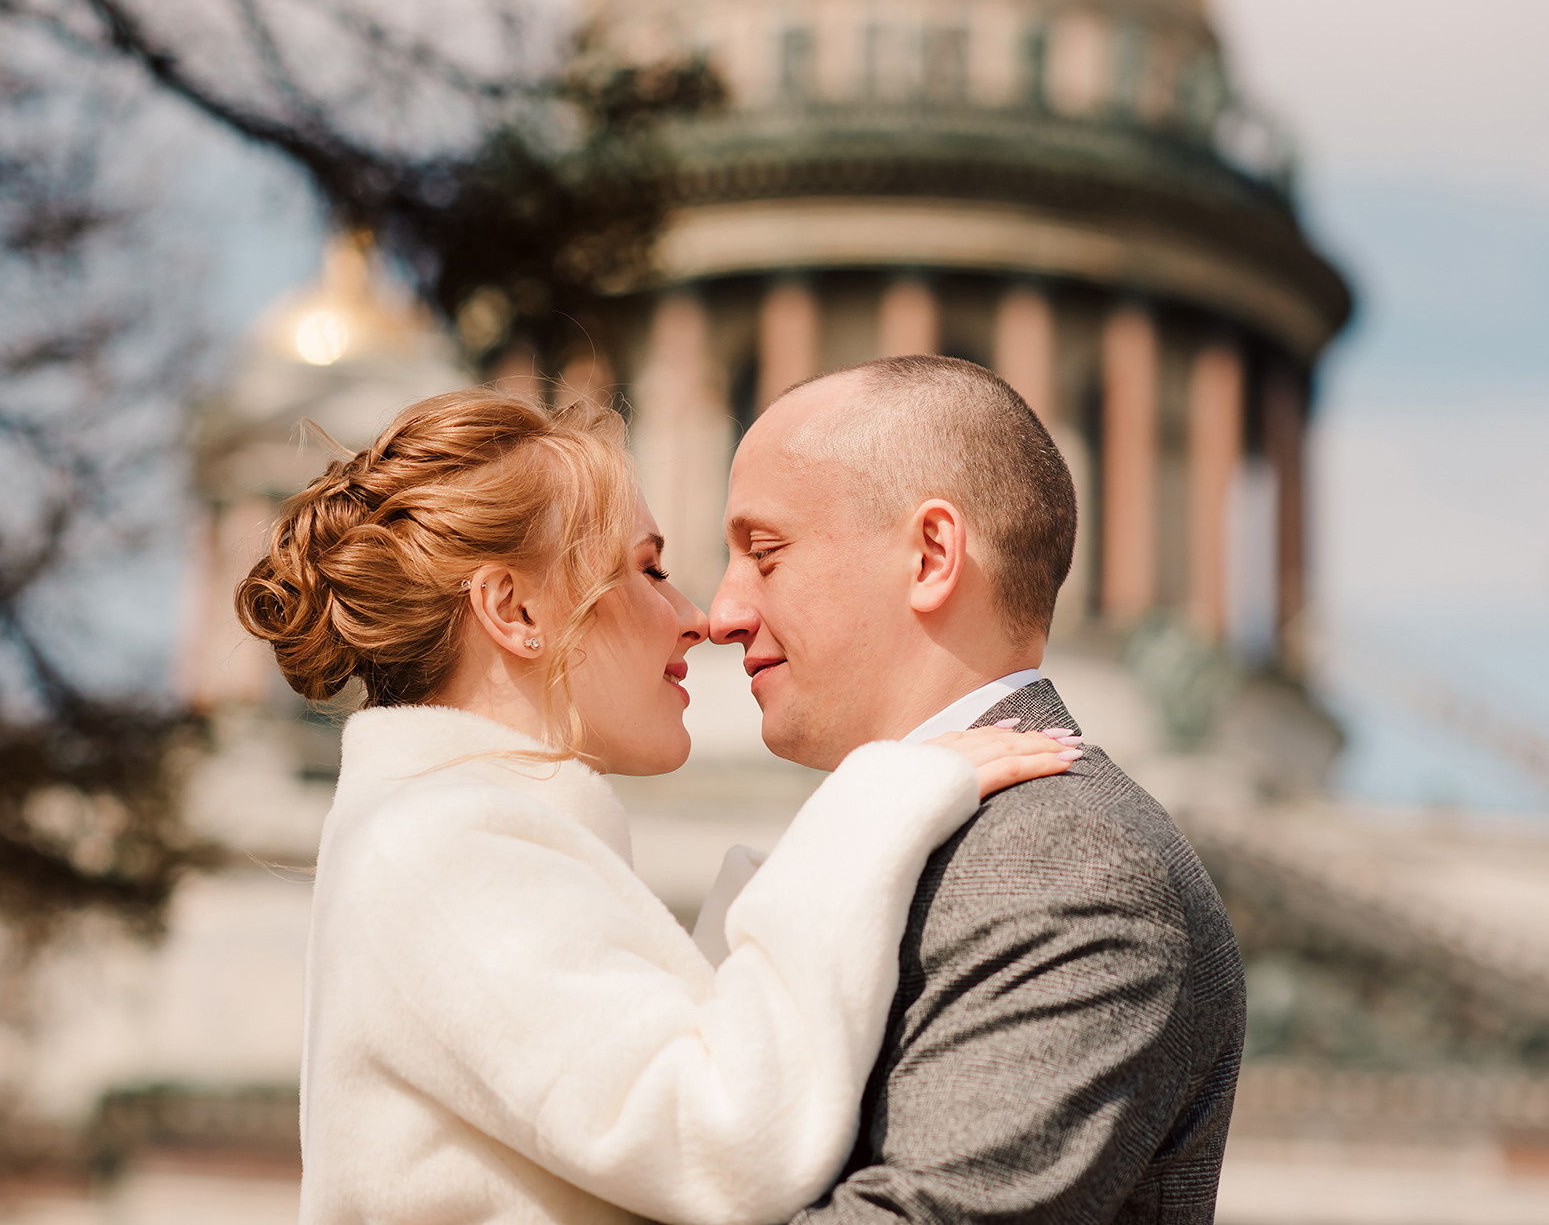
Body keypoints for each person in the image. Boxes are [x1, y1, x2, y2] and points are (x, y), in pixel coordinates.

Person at [233, 389, 1081, 1225]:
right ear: (515, 608)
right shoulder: (442, 848)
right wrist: (870, 807)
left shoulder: (447, 835)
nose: (699, 618)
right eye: (650, 570)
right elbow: (731, 1149)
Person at [705, 354, 1246, 1225]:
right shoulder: (939, 832)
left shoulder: (1067, 859)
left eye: (765, 555)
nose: (720, 612)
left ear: (930, 555)